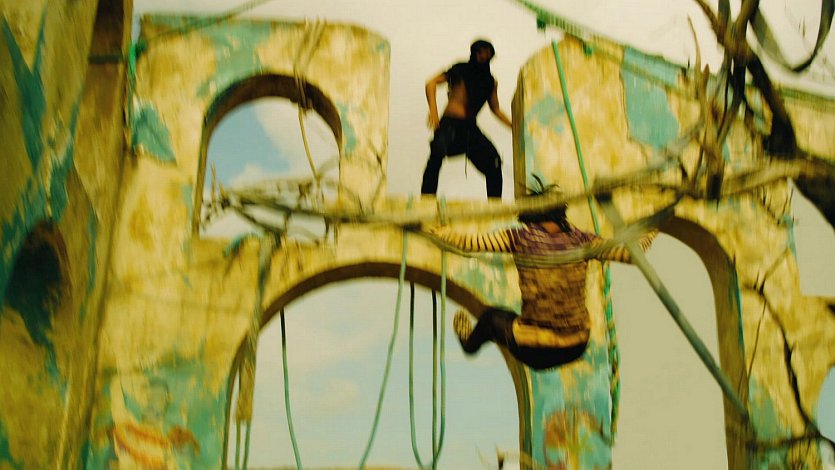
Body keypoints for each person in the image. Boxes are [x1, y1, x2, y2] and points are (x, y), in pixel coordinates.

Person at [424, 184, 656, 370]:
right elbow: (632, 254)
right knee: (512, 319)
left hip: (535, 349)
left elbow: (469, 243)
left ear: (532, 217)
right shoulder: (583, 241)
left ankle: (469, 343)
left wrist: (441, 232)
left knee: (491, 318)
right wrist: (654, 228)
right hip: (575, 345)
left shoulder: (520, 237)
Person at [421, 39, 513, 199]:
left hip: (470, 127)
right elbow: (431, 83)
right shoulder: (460, 69)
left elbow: (495, 109)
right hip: (450, 122)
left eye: (487, 53)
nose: (483, 56)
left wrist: (513, 126)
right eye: (480, 52)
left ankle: (495, 205)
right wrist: (434, 112)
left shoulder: (490, 82)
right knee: (437, 153)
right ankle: (426, 200)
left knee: (494, 162)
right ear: (474, 52)